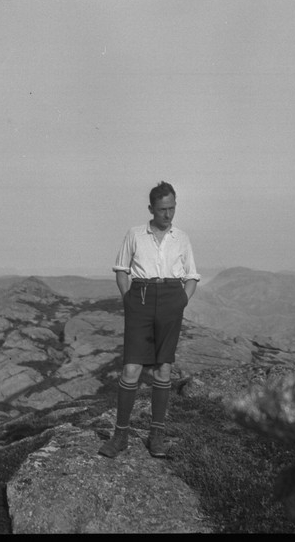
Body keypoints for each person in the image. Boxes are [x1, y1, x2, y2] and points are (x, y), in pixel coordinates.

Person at [99, 180, 200, 459]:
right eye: (162, 209)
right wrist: (129, 300)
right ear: (151, 209)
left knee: (163, 369)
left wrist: (182, 300)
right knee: (130, 368)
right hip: (140, 299)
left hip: (171, 298)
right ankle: (120, 436)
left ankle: (157, 436)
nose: (168, 215)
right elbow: (121, 270)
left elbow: (192, 274)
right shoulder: (135, 234)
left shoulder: (182, 238)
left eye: (172, 208)